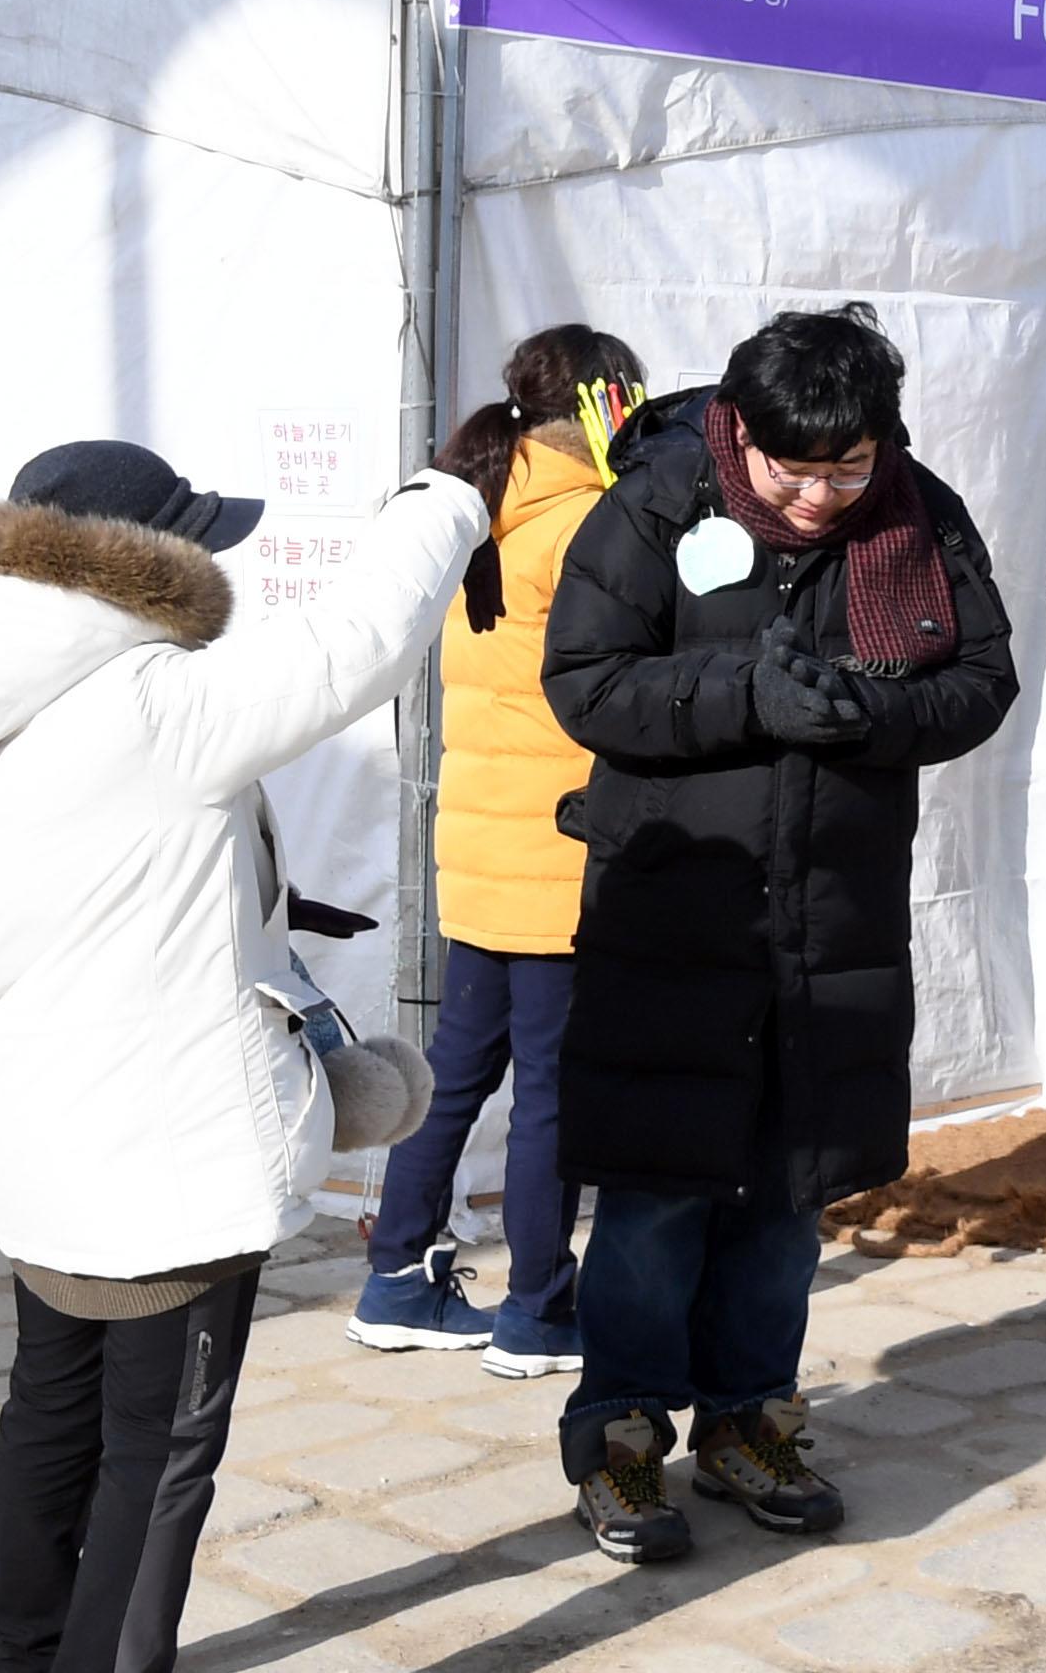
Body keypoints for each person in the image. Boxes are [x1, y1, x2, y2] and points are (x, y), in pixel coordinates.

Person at [0, 439, 479, 1671]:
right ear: (133, 563)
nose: (213, 562)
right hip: (166, 1163)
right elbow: (356, 643)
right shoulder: (147, 698)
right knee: (155, 1454)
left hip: (44, 1144)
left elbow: (90, 876)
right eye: (194, 542)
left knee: (50, 1414)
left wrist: (253, 902)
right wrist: (450, 491)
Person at [539, 305, 1017, 1565]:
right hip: (676, 906)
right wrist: (739, 687)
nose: (816, 497)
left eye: (845, 469)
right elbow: (584, 676)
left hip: (833, 913)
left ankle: (750, 1414)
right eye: (790, 470)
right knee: (657, 1191)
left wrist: (867, 711)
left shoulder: (918, 509)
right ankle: (622, 1430)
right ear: (740, 432)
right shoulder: (657, 499)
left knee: (790, 1194)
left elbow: (981, 679)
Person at [351, 324, 646, 1374]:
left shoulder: (475, 501)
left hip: (476, 846)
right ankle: (535, 1310)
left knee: (457, 1073)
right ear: (611, 405)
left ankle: (394, 1276)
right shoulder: (590, 520)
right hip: (559, 848)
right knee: (550, 1096)